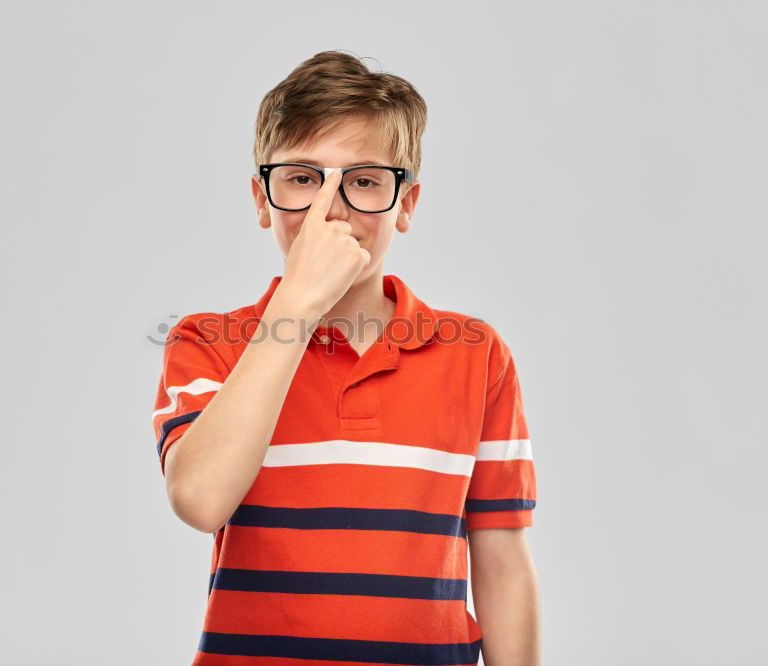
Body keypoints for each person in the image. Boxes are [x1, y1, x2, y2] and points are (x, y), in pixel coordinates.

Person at [152, 50, 540, 666]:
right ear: (262, 200)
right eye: (303, 178)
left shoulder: (477, 355)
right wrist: (297, 306)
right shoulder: (208, 342)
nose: (331, 209)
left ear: (405, 204)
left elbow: (501, 561)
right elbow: (199, 499)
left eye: (362, 180)